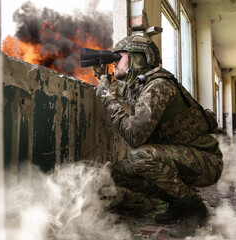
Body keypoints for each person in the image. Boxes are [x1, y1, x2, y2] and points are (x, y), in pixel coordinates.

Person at [94, 34, 223, 228]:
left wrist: (107, 97)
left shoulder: (158, 86)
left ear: (138, 57)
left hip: (206, 162)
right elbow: (116, 89)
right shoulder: (142, 87)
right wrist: (100, 76)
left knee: (141, 156)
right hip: (183, 158)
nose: (115, 62)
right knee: (119, 172)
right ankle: (177, 201)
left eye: (118, 57)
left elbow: (134, 136)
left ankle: (193, 206)